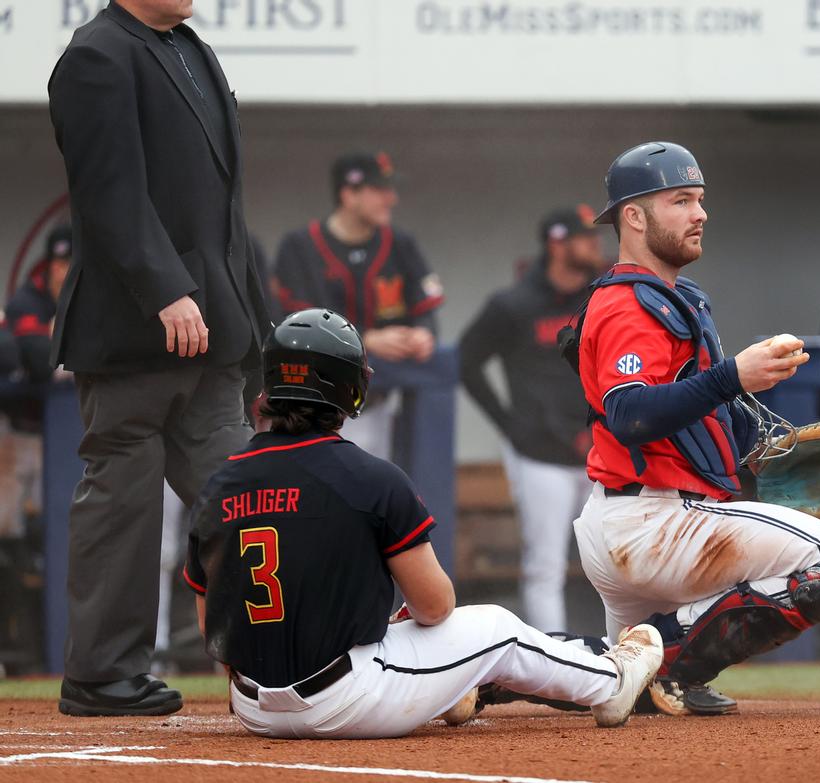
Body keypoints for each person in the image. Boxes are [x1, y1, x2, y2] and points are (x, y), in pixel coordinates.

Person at [183, 308, 662, 738]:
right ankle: (612, 681)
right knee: (498, 628)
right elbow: (435, 607)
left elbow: (214, 631)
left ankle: (449, 687)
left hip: (252, 711)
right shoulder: (371, 477)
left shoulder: (218, 484)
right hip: (346, 700)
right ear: (348, 387)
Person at [568, 141, 820, 718]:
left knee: (613, 675)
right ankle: (673, 666)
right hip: (657, 523)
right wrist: (733, 376)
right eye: (682, 200)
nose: (700, 213)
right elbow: (630, 415)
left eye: (700, 199)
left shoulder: (675, 297)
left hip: (638, 521)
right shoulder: (626, 304)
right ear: (634, 217)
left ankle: (500, 673)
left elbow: (698, 417)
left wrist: (757, 447)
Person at [48, 0, 270, 715]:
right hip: (136, 333)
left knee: (251, 496)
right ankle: (102, 673)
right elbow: (108, 194)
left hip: (215, 336)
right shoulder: (97, 55)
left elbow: (224, 213)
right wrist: (164, 289)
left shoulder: (192, 49)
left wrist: (257, 322)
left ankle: (278, 655)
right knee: (123, 502)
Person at [459, 205, 607, 632]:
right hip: (540, 455)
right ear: (556, 244)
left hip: (598, 450)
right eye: (585, 238)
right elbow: (466, 363)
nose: (595, 245)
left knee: (617, 560)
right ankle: (552, 661)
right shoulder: (513, 304)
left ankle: (628, 657)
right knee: (545, 567)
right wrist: (508, 426)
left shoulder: (598, 297)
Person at [271, 152, 444, 459]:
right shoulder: (300, 247)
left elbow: (425, 308)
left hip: (379, 403)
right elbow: (294, 324)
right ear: (348, 195)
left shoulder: (401, 243)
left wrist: (424, 334)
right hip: (314, 409)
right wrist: (366, 339)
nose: (391, 199)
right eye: (379, 190)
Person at [5, 225, 72, 382]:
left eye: (69, 264)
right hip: (36, 397)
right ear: (50, 266)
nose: (61, 271)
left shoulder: (89, 296)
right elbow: (39, 358)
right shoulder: (26, 300)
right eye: (58, 264)